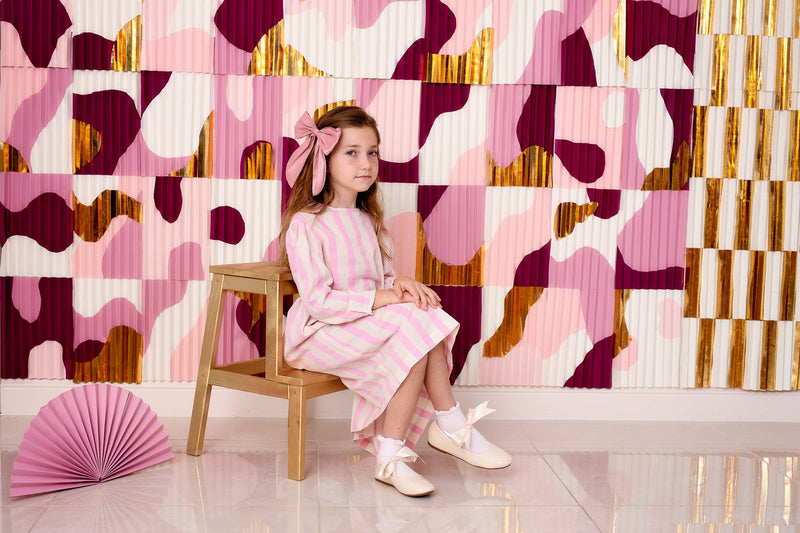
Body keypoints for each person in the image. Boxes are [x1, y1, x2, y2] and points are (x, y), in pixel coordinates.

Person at [279, 105, 511, 497]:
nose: (365, 163)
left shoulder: (370, 222)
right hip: (319, 332)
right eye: (352, 152)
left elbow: (380, 281)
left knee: (418, 315)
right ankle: (447, 425)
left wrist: (398, 284)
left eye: (372, 152)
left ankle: (398, 450)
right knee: (413, 329)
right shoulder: (307, 223)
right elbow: (319, 302)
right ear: (324, 160)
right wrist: (386, 295)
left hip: (361, 324)